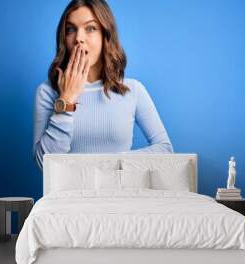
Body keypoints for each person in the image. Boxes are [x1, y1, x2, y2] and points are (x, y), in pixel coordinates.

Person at [33, 0, 173, 170]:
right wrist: (67, 99)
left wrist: (113, 162)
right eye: (71, 29)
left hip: (120, 194)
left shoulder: (133, 90)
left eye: (90, 28)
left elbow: (165, 149)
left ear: (105, 35)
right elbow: (43, 164)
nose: (78, 38)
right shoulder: (47, 92)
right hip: (67, 196)